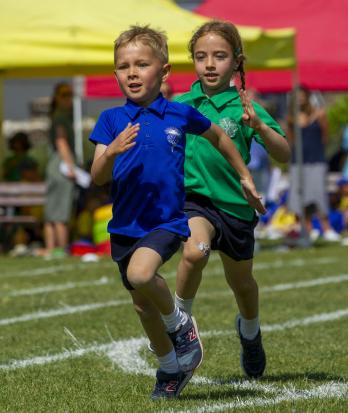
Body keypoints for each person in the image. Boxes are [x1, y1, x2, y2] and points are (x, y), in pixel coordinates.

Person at [89, 25, 265, 400]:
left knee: (141, 274)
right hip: (124, 227)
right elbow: (97, 176)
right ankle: (171, 368)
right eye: (123, 66)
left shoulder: (179, 115)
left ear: (164, 72)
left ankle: (180, 323)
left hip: (166, 221)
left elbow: (218, 135)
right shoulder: (109, 120)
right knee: (141, 303)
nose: (132, 73)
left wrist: (245, 175)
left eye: (141, 64)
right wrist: (112, 152)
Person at [173, 20, 290, 379]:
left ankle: (250, 332)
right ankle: (179, 328)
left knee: (242, 283)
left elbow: (284, 153)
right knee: (194, 252)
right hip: (195, 202)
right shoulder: (181, 104)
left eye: (219, 56)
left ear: (236, 63)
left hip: (237, 209)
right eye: (201, 56)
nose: (209, 64)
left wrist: (260, 127)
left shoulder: (244, 107)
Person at [287, 85, 340, 241]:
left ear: (308, 96)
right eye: (297, 96)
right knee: (298, 196)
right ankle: (304, 228)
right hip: (297, 162)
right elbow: (291, 140)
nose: (300, 98)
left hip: (316, 160)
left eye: (302, 95)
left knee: (318, 194)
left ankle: (326, 228)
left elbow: (325, 136)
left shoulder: (320, 114)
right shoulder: (292, 117)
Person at [42, 82, 76, 258]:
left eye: (70, 94)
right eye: (64, 94)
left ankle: (51, 248)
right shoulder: (60, 117)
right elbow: (61, 142)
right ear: (56, 97)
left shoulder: (59, 115)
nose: (69, 98)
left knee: (52, 211)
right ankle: (61, 249)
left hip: (54, 168)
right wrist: (71, 167)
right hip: (60, 168)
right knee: (61, 212)